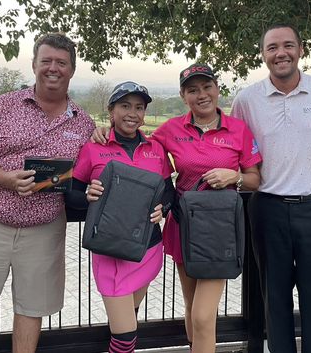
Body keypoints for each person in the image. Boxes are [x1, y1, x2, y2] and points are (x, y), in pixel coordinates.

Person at [93, 65, 262, 352]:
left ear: (217, 89)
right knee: (190, 304)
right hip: (183, 225)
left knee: (202, 315)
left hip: (219, 230)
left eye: (206, 87)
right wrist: (103, 132)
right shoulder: (171, 130)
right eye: (192, 90)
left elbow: (255, 179)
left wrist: (236, 177)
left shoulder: (238, 130)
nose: (201, 95)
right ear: (184, 95)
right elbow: (136, 143)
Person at [0, 32, 95, 353]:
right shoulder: (4, 105)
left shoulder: (84, 123)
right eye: (46, 61)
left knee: (32, 307)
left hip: (45, 229)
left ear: (72, 70)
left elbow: (90, 168)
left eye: (61, 62)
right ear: (34, 65)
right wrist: (4, 179)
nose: (53, 68)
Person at [231, 23, 311, 353]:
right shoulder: (247, 100)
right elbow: (232, 151)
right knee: (273, 301)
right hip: (267, 209)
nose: (281, 53)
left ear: (301, 50)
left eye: (288, 45)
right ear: (263, 55)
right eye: (272, 47)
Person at [65, 81, 174, 353]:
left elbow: (169, 191)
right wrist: (88, 195)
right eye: (125, 106)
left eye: (139, 107)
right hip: (110, 251)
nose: (132, 113)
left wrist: (164, 207)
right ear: (111, 110)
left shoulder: (156, 149)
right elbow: (72, 195)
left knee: (128, 322)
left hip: (147, 248)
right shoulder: (93, 147)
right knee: (125, 336)